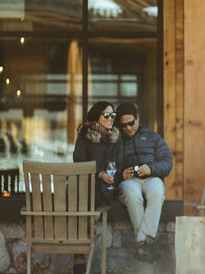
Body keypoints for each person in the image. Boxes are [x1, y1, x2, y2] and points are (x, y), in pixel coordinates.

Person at [115, 102, 172, 262]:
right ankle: (145, 243)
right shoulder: (117, 141)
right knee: (132, 196)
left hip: (151, 177)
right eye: (123, 125)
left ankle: (142, 244)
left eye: (131, 123)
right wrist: (121, 174)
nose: (128, 128)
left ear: (137, 118)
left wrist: (151, 169)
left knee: (156, 193)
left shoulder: (153, 137)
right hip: (129, 180)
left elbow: (167, 162)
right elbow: (110, 166)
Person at [71, 101, 121, 274]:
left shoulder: (115, 137)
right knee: (79, 200)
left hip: (105, 188)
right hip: (86, 185)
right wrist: (99, 173)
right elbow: (79, 160)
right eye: (106, 115)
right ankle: (79, 256)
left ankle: (79, 256)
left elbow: (117, 163)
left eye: (113, 115)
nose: (110, 119)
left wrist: (109, 175)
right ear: (96, 116)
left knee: (83, 202)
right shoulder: (85, 134)